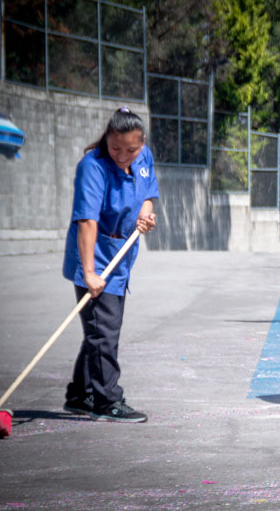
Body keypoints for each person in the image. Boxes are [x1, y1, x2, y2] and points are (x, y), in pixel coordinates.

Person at [62, 107, 159, 423]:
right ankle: (106, 400)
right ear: (107, 139)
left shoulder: (143, 159)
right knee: (104, 332)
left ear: (141, 143)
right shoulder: (93, 166)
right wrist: (89, 272)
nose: (122, 155)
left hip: (121, 257)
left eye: (130, 149)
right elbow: (86, 221)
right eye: (115, 148)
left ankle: (80, 395)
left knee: (98, 329)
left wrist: (146, 212)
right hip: (95, 256)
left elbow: (147, 194)